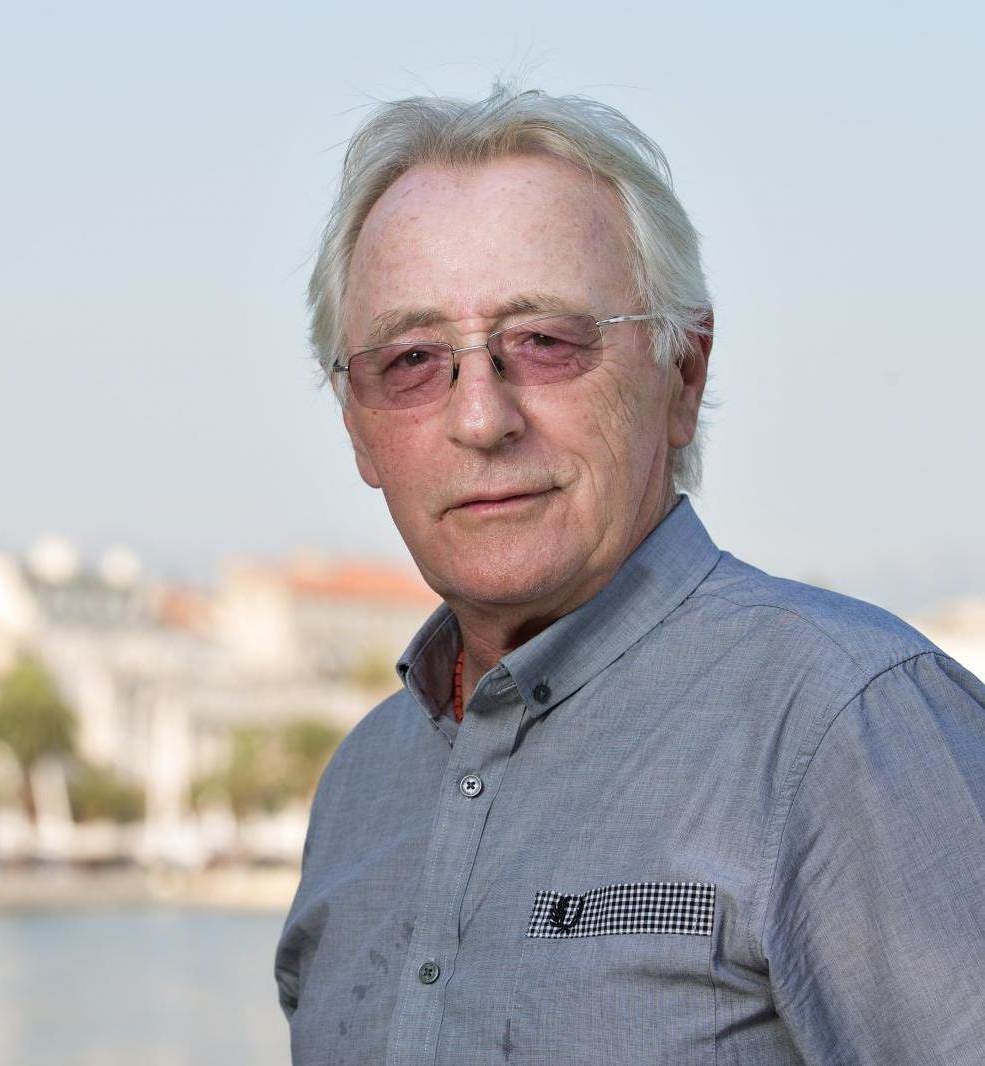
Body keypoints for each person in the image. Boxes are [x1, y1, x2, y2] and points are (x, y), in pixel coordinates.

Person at [273, 86, 985, 1064]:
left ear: (681, 373)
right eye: (411, 360)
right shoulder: (361, 788)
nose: (480, 419)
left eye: (544, 342)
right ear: (357, 426)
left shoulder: (849, 728)